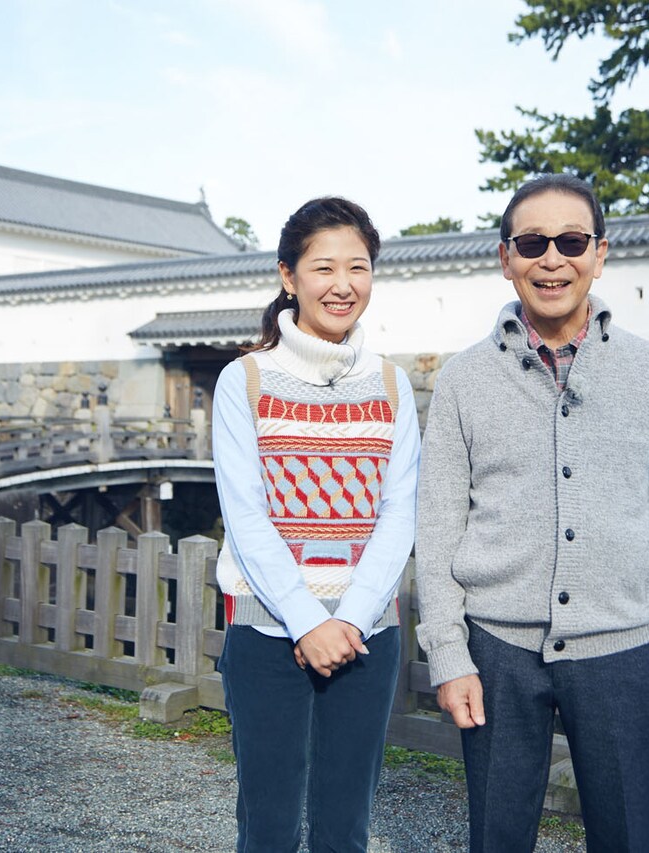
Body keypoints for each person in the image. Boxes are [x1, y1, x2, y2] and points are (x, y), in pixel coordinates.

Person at [414, 174, 649, 852]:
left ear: (599, 254)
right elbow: (437, 524)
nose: (553, 259)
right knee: (497, 833)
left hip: (624, 643)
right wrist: (449, 651)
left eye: (571, 241)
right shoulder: (462, 379)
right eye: (533, 242)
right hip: (497, 647)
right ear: (505, 257)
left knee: (626, 833)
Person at [212, 196, 420, 853]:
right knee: (268, 826)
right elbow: (246, 513)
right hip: (268, 629)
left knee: (345, 826)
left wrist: (348, 619)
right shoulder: (243, 379)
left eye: (357, 267)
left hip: (365, 633)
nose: (342, 284)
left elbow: (399, 511)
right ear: (288, 276)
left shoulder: (392, 384)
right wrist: (307, 619)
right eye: (323, 267)